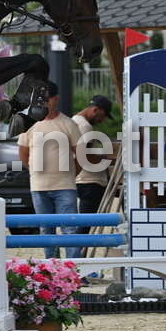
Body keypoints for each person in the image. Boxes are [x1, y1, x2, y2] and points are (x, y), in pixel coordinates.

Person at [17, 81, 83, 259]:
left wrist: (70, 175)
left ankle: (73, 268)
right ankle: (51, 268)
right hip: (39, 186)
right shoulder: (29, 123)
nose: (44, 103)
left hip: (65, 186)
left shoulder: (68, 124)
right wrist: (34, 170)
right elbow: (23, 152)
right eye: (40, 99)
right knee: (46, 229)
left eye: (47, 99)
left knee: (70, 228)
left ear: (56, 99)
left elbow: (81, 155)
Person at [71, 95, 114, 232]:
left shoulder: (73, 121)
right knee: (85, 225)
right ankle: (76, 247)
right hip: (90, 181)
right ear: (95, 110)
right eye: (103, 115)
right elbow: (86, 156)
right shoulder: (85, 126)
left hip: (79, 179)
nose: (102, 120)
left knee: (82, 224)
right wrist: (105, 159)